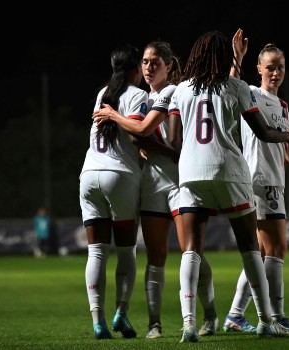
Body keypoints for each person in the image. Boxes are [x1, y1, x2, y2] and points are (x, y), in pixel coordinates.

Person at [168, 30, 289, 342]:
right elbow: (263, 133)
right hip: (230, 172)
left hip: (191, 173)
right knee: (249, 248)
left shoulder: (181, 91)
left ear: (197, 55)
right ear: (225, 57)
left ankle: (189, 324)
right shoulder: (237, 87)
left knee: (192, 249)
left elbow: (174, 139)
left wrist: (190, 156)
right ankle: (266, 321)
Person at [94, 40, 221, 339]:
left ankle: (211, 314)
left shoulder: (172, 92)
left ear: (168, 66)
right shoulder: (140, 98)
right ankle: (155, 324)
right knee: (156, 256)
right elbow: (138, 137)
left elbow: (144, 134)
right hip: (152, 182)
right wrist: (141, 144)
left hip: (180, 182)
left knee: (193, 252)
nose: (149, 67)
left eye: (155, 62)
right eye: (146, 62)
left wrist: (128, 129)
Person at [221, 28, 289, 334]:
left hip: (272, 180)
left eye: (280, 67)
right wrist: (236, 58)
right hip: (259, 179)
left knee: (263, 253)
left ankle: (235, 315)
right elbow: (230, 87)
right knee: (277, 249)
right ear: (259, 69)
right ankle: (276, 318)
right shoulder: (251, 94)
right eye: (270, 67)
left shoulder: (282, 107)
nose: (276, 72)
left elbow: (287, 151)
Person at [79, 43, 147, 340]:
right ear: (135, 70)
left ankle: (98, 321)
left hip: (88, 174)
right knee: (127, 249)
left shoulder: (102, 94)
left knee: (96, 251)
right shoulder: (138, 95)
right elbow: (136, 131)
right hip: (119, 176)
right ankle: (121, 312)